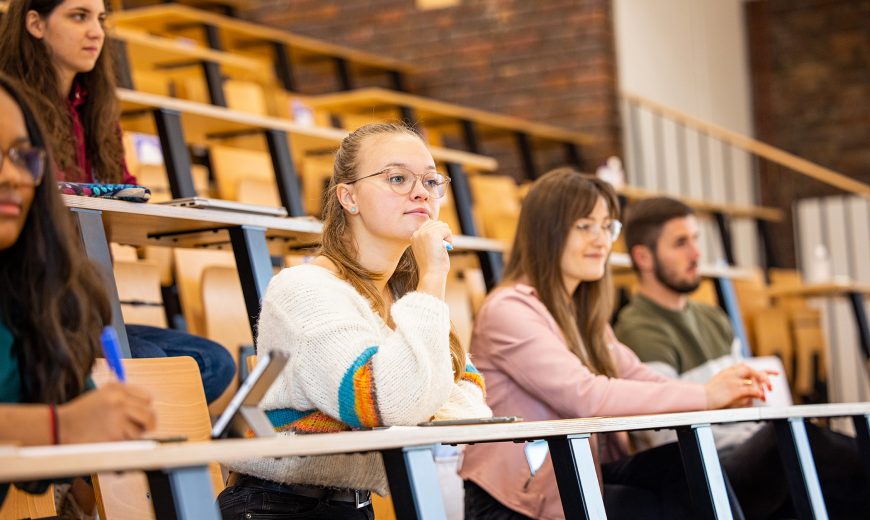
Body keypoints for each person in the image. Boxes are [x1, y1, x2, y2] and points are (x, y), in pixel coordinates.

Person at [458, 168, 772, 520]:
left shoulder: (581, 315)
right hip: (515, 506)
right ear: (546, 232)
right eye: (585, 226)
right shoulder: (509, 310)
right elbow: (586, 396)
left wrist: (721, 395)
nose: (601, 240)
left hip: (577, 480)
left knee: (687, 465)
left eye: (607, 226)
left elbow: (639, 376)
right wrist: (705, 397)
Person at [218, 122, 491, 519]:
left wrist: (417, 399)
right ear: (348, 197)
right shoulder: (303, 290)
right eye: (397, 178)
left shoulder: (404, 298)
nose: (421, 192)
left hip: (354, 505)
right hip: (275, 506)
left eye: (431, 181)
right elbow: (389, 402)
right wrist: (433, 275)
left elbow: (469, 391)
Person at [0, 0, 235, 404]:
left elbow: (123, 184)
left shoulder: (96, 105)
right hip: (34, 298)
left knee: (214, 362)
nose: (96, 32)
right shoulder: (10, 108)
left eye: (100, 20)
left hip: (86, 304)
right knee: (147, 364)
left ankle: (124, 434)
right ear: (35, 24)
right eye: (79, 16)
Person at [614, 196, 869, 519]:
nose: (696, 253)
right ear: (643, 257)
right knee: (791, 440)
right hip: (709, 465)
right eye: (680, 243)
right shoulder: (637, 329)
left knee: (835, 485)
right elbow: (664, 432)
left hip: (753, 448)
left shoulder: (714, 317)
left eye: (695, 239)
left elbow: (749, 399)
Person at [0, 72, 156, 507]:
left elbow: (52, 456)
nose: (13, 175)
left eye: (21, 156)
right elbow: (61, 424)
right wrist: (61, 425)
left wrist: (108, 421)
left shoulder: (30, 289)